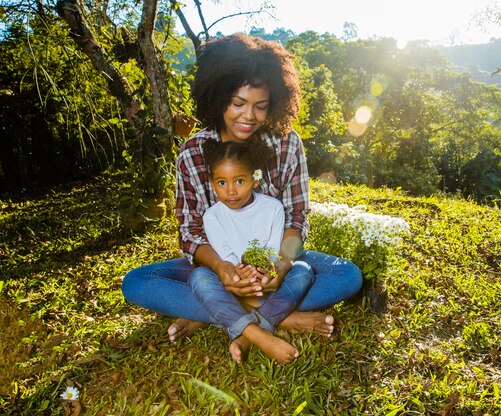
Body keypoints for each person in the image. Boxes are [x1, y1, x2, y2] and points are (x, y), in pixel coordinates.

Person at [121, 33, 363, 363]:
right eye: (238, 103)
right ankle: (276, 319)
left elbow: (296, 218)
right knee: (137, 283)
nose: (248, 116)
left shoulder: (288, 144)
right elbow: (190, 233)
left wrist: (280, 266)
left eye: (260, 107)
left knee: (348, 276)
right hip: (217, 264)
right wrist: (223, 270)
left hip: (277, 260)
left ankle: (217, 312)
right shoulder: (191, 153)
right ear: (218, 97)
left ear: (274, 103)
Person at [192, 137, 314, 363]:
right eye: (221, 183)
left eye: (239, 181)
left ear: (254, 179)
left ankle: (246, 330)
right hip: (234, 284)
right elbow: (225, 256)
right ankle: (266, 327)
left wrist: (267, 272)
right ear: (212, 183)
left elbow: (271, 249)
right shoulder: (212, 216)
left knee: (304, 270)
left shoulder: (272, 208)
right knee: (199, 276)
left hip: (266, 279)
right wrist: (240, 277)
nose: (230, 191)